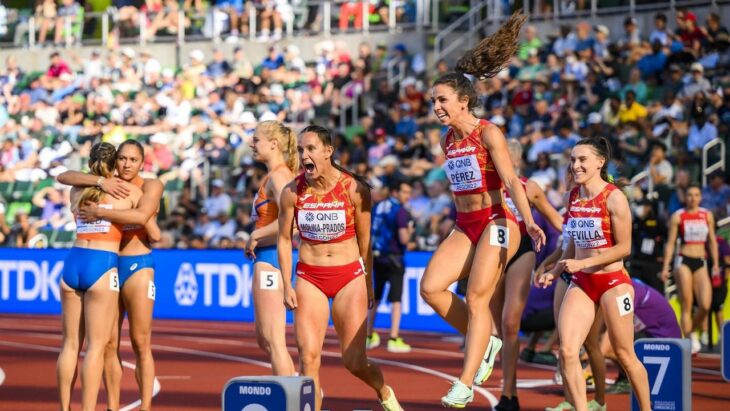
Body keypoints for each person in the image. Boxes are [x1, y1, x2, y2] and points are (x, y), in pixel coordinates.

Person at [418, 12, 546, 408]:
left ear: (464, 100)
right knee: (431, 288)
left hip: (497, 221)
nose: (436, 106)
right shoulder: (447, 141)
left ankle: (465, 381)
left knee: (476, 298)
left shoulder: (489, 132)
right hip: (465, 224)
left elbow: (510, 182)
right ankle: (486, 337)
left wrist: (528, 221)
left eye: (442, 100)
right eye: (434, 101)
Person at [277, 125, 403, 411]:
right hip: (310, 276)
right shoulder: (291, 192)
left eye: (310, 148)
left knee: (354, 361)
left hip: (348, 276)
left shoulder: (354, 189)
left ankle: (383, 391)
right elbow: (284, 240)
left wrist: (368, 282)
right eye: (300, 150)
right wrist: (287, 284)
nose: (303, 155)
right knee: (308, 358)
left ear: (328, 152)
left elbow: (365, 241)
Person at [537, 138, 650, 411]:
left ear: (600, 162)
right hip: (583, 282)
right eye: (573, 160)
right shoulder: (573, 197)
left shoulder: (615, 197)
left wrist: (582, 263)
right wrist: (555, 269)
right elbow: (574, 242)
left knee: (624, 354)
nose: (576, 165)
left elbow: (624, 248)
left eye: (582, 160)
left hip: (613, 283)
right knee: (566, 351)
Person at [58, 140, 163, 411]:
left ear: (142, 163)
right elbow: (65, 176)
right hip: (109, 266)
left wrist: (102, 211)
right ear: (115, 160)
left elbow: (152, 230)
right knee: (106, 344)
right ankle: (112, 407)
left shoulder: (150, 186)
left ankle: (146, 407)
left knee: (140, 342)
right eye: (122, 159)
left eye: (133, 160)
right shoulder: (109, 184)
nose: (127, 164)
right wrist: (103, 184)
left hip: (137, 265)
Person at [489, 139, 562, 409]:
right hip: (493, 252)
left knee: (510, 323)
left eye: (507, 157)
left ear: (516, 161)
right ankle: (506, 390)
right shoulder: (487, 186)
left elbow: (558, 221)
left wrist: (583, 242)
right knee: (496, 330)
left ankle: (510, 394)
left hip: (521, 251)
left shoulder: (528, 187)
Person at [536, 167, 607, 411]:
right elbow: (565, 246)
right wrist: (547, 265)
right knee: (566, 344)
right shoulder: (569, 209)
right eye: (566, 174)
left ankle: (599, 400)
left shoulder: (598, 202)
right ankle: (570, 399)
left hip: (590, 277)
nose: (569, 178)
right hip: (567, 275)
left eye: (571, 174)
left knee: (591, 343)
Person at [244, 121, 298, 375]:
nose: (251, 144)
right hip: (267, 258)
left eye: (256, 140)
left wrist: (257, 234)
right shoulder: (273, 175)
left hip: (272, 259)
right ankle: (295, 386)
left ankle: (291, 395)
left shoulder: (279, 176)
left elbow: (294, 223)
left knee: (274, 342)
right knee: (265, 340)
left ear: (273, 144)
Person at [661, 184, 721, 354]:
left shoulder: (706, 215)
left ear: (700, 197)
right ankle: (687, 340)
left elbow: (712, 241)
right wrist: (666, 266)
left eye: (696, 195)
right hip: (684, 260)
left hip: (701, 260)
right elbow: (671, 243)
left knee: (705, 304)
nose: (693, 198)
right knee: (687, 303)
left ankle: (691, 331)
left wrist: (716, 263)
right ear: (685, 197)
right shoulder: (678, 216)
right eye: (689, 195)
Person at [603, 278, 681, 393]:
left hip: (666, 344)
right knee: (615, 341)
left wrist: (586, 359)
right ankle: (625, 377)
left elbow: (604, 347)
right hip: (652, 336)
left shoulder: (629, 290)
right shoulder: (627, 285)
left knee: (615, 348)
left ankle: (627, 379)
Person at [367, 179, 415, 353]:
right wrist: (410, 232)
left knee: (376, 298)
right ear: (395, 192)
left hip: (377, 257)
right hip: (394, 258)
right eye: (405, 192)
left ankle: (369, 335)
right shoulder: (400, 212)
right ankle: (393, 338)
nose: (408, 196)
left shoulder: (377, 207)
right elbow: (403, 239)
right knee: (396, 300)